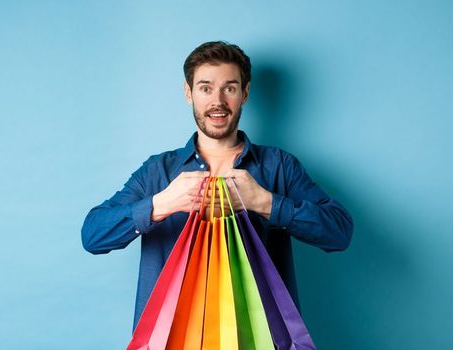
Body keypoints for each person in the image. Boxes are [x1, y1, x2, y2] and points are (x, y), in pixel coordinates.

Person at [80, 41, 354, 331]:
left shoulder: (279, 167)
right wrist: (162, 204)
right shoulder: (158, 171)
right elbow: (93, 235)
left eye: (230, 88)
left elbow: (339, 233)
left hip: (260, 337)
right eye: (206, 88)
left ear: (245, 94)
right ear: (189, 93)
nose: (218, 102)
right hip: (172, 336)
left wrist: (264, 202)